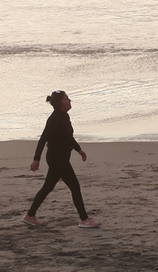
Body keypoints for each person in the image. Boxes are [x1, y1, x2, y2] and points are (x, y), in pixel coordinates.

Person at [23, 90, 100, 228]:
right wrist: (36, 159)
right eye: (67, 98)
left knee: (48, 187)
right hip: (58, 159)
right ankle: (84, 219)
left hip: (59, 158)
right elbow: (43, 138)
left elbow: (68, 137)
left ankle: (30, 215)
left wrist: (79, 150)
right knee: (75, 186)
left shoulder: (64, 116)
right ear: (60, 103)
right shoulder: (54, 119)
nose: (70, 100)